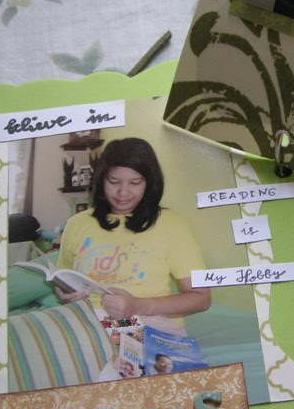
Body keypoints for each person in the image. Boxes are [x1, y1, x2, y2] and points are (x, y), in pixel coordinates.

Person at [55, 137, 211, 327]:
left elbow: (201, 298)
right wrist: (63, 292)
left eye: (135, 182)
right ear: (101, 180)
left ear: (149, 183)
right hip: (87, 324)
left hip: (149, 324)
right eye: (113, 181)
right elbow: (63, 279)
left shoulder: (172, 224)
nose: (123, 192)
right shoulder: (76, 223)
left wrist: (137, 305)